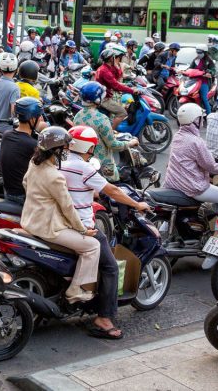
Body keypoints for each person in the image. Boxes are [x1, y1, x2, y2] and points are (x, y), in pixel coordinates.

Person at [62, 126, 151, 339]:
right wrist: (137, 205)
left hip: (58, 223)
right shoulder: (83, 169)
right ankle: (104, 318)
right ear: (89, 147)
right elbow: (112, 190)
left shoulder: (58, 164)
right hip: (81, 227)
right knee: (111, 268)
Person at [21, 126, 100, 303]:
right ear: (56, 150)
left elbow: (25, 183)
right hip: (50, 228)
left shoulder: (34, 163)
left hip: (30, 221)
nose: (66, 151)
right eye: (64, 148)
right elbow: (68, 208)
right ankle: (75, 290)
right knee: (93, 246)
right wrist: (82, 230)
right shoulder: (55, 176)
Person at [164, 104, 218, 212]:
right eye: (201, 118)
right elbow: (212, 167)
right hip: (191, 187)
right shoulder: (196, 142)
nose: (203, 121)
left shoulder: (177, 136)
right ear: (196, 120)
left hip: (174, 182)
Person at [73, 81, 138, 182]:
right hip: (103, 169)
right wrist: (130, 143)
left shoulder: (77, 116)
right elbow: (113, 144)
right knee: (117, 187)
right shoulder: (102, 119)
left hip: (84, 165)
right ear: (97, 99)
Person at [0, 97, 44, 204]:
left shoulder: (6, 135)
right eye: (40, 116)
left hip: (8, 192)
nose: (41, 119)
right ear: (32, 119)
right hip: (23, 197)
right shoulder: (33, 145)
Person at [94, 44, 132, 129]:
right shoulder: (104, 71)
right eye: (113, 57)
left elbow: (117, 76)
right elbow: (116, 86)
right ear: (111, 58)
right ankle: (110, 132)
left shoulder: (107, 68)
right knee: (122, 112)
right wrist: (132, 90)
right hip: (104, 99)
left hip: (106, 96)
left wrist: (116, 65)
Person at [0, 52, 20, 132]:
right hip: (6, 129)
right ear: (16, 69)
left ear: (1, 69)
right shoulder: (15, 88)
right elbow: (14, 112)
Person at [186, 44, 217, 114]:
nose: (198, 54)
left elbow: (213, 70)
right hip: (194, 81)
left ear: (205, 52)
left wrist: (209, 72)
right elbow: (190, 68)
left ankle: (209, 115)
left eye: (200, 52)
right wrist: (185, 71)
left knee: (204, 98)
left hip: (204, 82)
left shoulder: (209, 61)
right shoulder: (195, 60)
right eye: (197, 52)